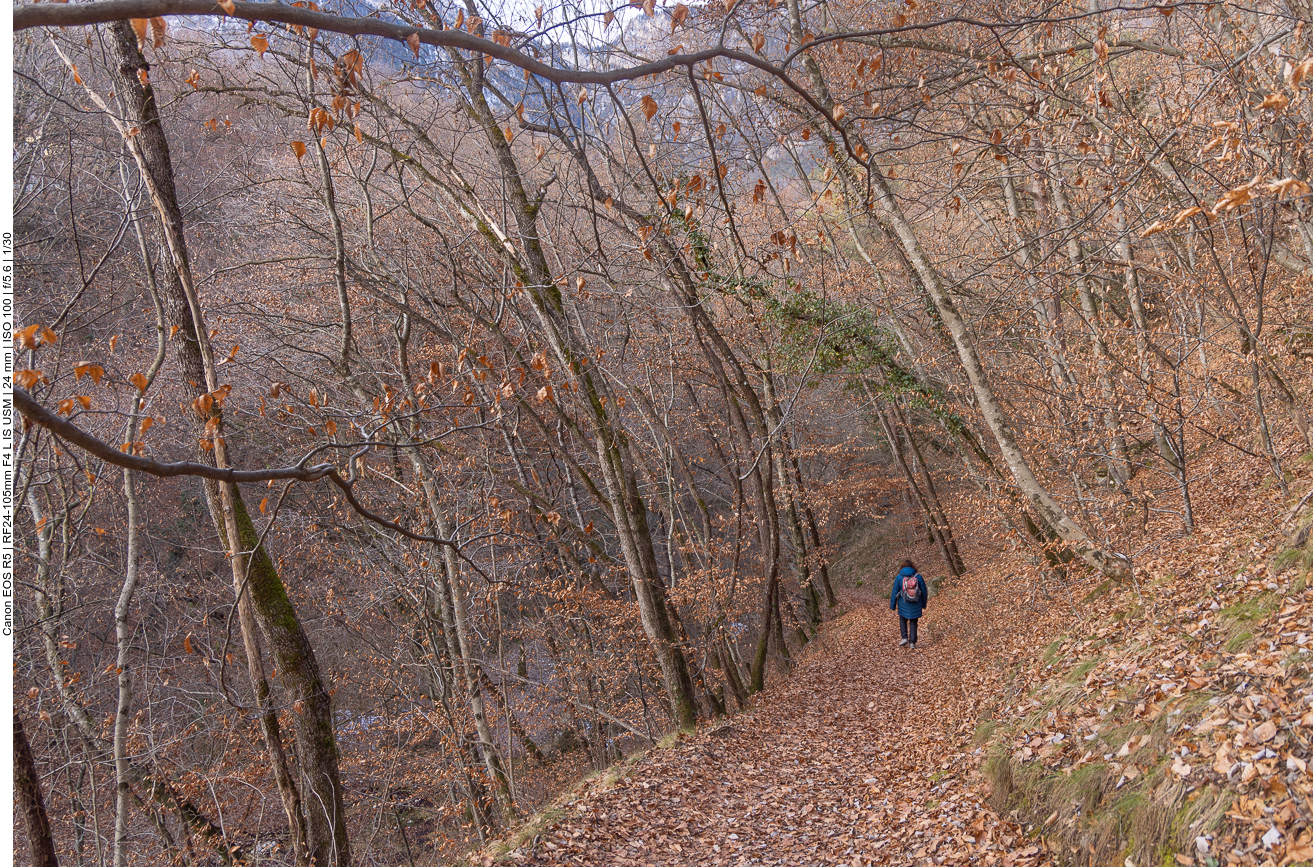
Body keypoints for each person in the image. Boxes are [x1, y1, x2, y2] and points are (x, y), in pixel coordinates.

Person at [889, 560, 928, 649]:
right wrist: (924, 604)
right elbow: (924, 592)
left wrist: (893, 605)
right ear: (913, 567)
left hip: (903, 603)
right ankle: (912, 643)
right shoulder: (918, 577)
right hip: (916, 602)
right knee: (913, 622)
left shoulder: (899, 577)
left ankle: (904, 638)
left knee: (903, 619)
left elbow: (894, 591)